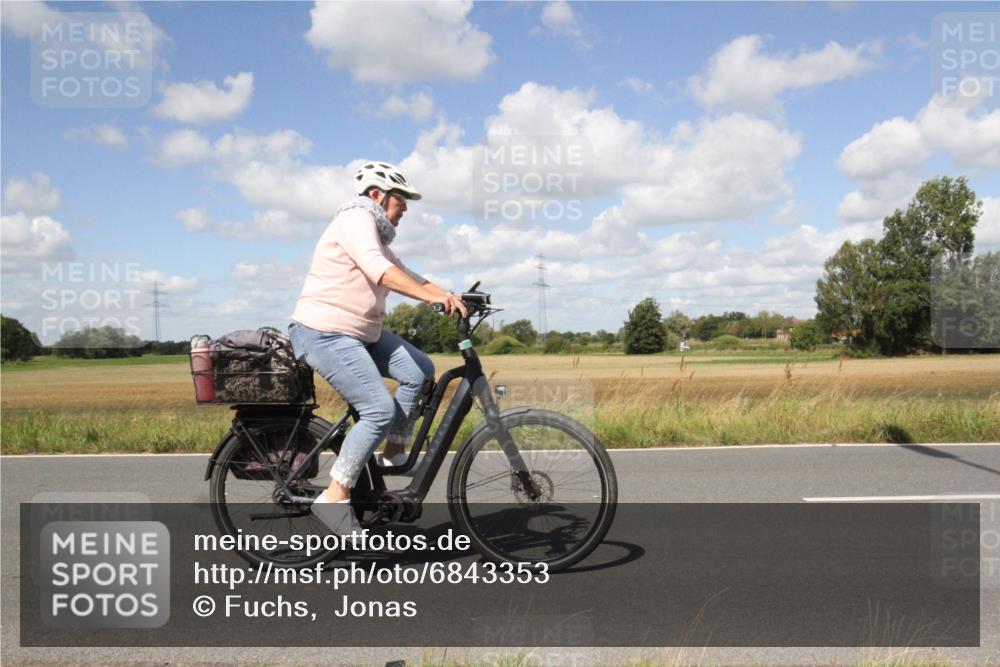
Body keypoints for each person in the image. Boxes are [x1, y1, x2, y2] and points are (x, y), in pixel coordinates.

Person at [287, 162, 467, 534]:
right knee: (378, 410)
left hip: (360, 333)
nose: (406, 208)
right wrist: (429, 298)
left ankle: (392, 456)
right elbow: (380, 272)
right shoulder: (355, 220)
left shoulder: (377, 235)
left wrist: (450, 295)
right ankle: (335, 498)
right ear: (376, 196)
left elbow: (409, 274)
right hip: (325, 332)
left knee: (419, 370)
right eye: (401, 199)